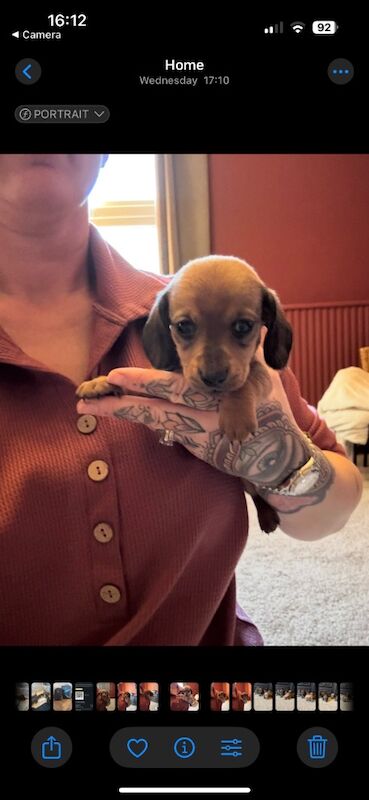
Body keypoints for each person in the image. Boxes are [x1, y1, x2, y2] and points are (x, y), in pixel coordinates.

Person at [0, 154, 363, 646]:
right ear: (169, 332)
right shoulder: (174, 313)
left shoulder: (201, 301)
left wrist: (282, 466)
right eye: (186, 331)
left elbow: (338, 502)